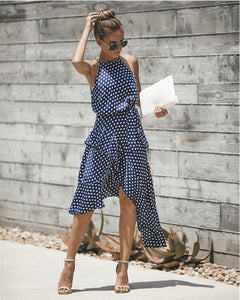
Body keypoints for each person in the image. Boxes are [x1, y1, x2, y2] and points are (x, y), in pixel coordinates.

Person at [57, 8, 168, 295]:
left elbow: (140, 100)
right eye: (114, 44)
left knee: (129, 201)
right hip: (103, 137)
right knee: (86, 202)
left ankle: (123, 267)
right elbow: (75, 61)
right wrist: (86, 27)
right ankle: (69, 264)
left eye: (123, 42)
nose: (120, 49)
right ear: (100, 42)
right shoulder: (92, 68)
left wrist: (155, 109)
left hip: (132, 135)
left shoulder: (130, 61)